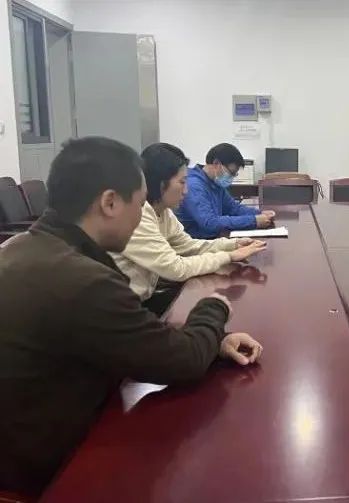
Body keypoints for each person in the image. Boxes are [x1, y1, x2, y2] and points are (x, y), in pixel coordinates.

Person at [0, 137, 263, 495]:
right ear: (110, 203)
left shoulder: (25, 248)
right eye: (139, 205)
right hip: (44, 467)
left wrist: (215, 341)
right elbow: (182, 362)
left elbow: (134, 341)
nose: (142, 217)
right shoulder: (83, 280)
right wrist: (213, 308)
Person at [112, 143, 267, 314]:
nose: (186, 191)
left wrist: (232, 245)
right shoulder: (138, 216)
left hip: (146, 297)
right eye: (182, 182)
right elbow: (176, 269)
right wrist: (228, 256)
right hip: (122, 310)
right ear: (161, 183)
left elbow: (188, 245)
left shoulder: (164, 212)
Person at [176, 143, 276, 238]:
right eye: (231, 173)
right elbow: (209, 223)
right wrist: (253, 221)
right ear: (216, 163)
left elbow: (234, 209)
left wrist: (260, 213)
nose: (231, 177)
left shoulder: (215, 183)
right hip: (195, 242)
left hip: (211, 239)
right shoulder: (194, 185)